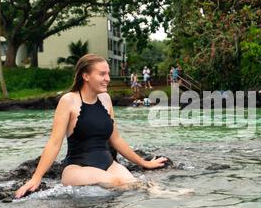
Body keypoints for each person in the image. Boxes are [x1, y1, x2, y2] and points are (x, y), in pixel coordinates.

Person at [15, 54, 168, 199]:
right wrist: (36, 177)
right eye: (102, 74)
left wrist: (144, 163)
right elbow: (54, 143)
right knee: (116, 183)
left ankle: (175, 201)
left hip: (108, 164)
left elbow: (116, 138)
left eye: (108, 74)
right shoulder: (68, 101)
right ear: (86, 76)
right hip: (77, 169)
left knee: (139, 185)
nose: (107, 79)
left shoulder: (106, 99)